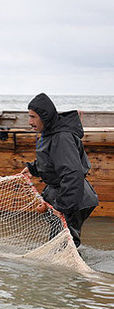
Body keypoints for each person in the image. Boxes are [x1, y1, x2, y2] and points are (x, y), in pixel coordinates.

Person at [22, 93, 98, 248]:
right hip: (66, 195)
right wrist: (33, 169)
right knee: (59, 243)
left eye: (33, 117)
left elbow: (72, 173)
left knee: (63, 246)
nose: (29, 122)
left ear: (45, 116)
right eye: (29, 117)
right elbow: (52, 162)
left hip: (74, 198)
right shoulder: (49, 133)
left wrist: (62, 206)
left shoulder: (62, 137)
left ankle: (77, 272)